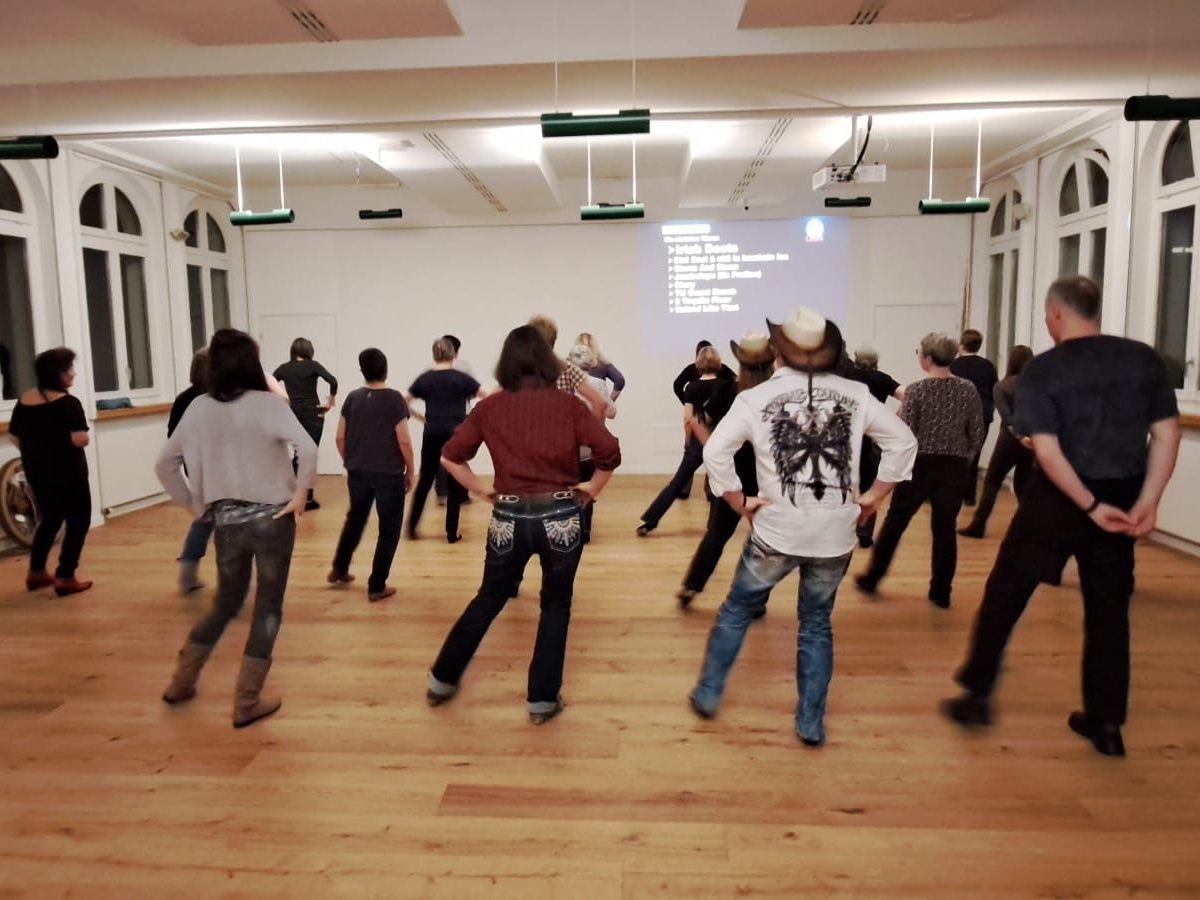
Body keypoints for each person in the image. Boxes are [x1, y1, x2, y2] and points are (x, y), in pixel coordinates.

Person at [942, 277, 1180, 758]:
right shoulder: (1143, 360)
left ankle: (977, 694)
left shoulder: (1046, 370)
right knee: (1109, 611)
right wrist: (1148, 501)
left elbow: (1047, 452)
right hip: (1124, 493)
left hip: (1058, 500)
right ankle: (1107, 723)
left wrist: (1088, 504)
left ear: (1054, 314)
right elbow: (1167, 435)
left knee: (1007, 591)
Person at [688, 309, 916, 746]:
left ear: (780, 352)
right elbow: (903, 441)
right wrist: (874, 496)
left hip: (776, 531)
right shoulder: (856, 393)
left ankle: (709, 693)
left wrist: (738, 500)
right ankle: (810, 722)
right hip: (835, 535)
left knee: (736, 611)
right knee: (815, 624)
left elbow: (715, 451)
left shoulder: (754, 399)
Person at [425, 325, 621, 724]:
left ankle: (442, 680)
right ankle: (541, 701)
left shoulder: (490, 408)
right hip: (561, 518)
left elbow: (449, 457)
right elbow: (609, 451)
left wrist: (481, 491)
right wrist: (592, 490)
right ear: (549, 363)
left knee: (489, 598)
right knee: (555, 604)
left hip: (508, 519)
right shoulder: (568, 407)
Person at [156, 329, 317, 728]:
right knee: (267, 609)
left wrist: (195, 506)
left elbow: (165, 464)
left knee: (226, 602)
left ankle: (181, 682)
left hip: (226, 522)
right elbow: (308, 449)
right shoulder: (268, 405)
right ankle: (246, 701)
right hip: (274, 521)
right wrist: (300, 496)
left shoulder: (197, 408)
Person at [856, 333, 984, 608]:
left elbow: (902, 430)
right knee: (945, 528)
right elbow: (976, 432)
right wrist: (964, 460)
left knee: (896, 522)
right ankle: (941, 591)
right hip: (954, 467)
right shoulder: (968, 389)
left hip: (919, 465)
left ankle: (872, 577)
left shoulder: (917, 390)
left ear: (926, 358)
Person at [676, 333, 774, 608]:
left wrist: (714, 447)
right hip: (766, 477)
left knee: (717, 533)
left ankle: (691, 586)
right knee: (763, 540)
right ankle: (755, 600)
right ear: (771, 364)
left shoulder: (731, 390)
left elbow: (697, 420)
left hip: (732, 474)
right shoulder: (777, 395)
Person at [329, 347, 414, 599]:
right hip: (388, 474)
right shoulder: (394, 399)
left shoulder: (353, 398)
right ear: (385, 369)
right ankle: (377, 585)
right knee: (389, 529)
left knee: (355, 519)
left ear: (362, 371)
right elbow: (404, 441)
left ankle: (340, 568)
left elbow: (339, 437)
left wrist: (351, 461)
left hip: (358, 472)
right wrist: (411, 470)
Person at [9, 347, 94, 597]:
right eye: (70, 369)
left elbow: (15, 437)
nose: (74, 374)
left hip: (37, 472)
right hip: (69, 473)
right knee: (78, 521)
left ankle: (36, 572)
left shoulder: (24, 401)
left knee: (51, 519)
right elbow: (80, 439)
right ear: (58, 373)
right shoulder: (68, 403)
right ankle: (66, 575)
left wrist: (38, 450)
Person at [638, 345, 726, 536]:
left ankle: (649, 521)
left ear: (699, 364)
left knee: (677, 483)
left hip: (696, 442)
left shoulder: (692, 387)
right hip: (720, 442)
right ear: (718, 363)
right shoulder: (726, 386)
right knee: (719, 484)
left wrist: (688, 441)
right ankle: (714, 526)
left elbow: (688, 419)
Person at [406, 338, 486, 543]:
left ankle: (411, 528)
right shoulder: (461, 378)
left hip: (432, 433)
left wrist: (419, 417)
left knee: (425, 480)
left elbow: (402, 400)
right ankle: (452, 533)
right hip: (455, 435)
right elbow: (487, 396)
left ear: (434, 355)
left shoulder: (425, 379)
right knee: (455, 484)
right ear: (454, 355)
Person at [959, 345, 1036, 539]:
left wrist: (1019, 436)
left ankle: (979, 525)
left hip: (1009, 441)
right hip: (1031, 441)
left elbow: (1007, 417)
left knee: (992, 481)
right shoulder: (1037, 386)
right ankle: (1030, 527)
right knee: (1023, 484)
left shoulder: (1002, 386)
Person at [842, 346, 906, 548]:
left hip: (847, 436)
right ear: (876, 361)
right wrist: (894, 418)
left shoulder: (846, 377)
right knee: (870, 486)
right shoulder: (882, 378)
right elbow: (907, 395)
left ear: (855, 359)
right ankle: (865, 532)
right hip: (872, 437)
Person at [273, 337, 337, 510]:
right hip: (313, 414)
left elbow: (269, 383)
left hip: (293, 414)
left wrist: (284, 400)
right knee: (309, 454)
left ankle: (297, 494)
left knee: (299, 453)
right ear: (309, 350)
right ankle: (306, 497)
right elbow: (333, 380)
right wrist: (330, 401)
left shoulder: (284, 368)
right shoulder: (313, 365)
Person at [169, 349, 214, 595]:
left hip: (195, 468)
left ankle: (188, 573)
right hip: (218, 467)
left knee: (205, 520)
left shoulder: (183, 398)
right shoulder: (217, 399)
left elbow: (172, 437)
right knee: (227, 521)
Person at [671, 341, 737, 499]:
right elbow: (736, 381)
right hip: (715, 420)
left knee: (692, 453)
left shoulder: (695, 373)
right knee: (714, 454)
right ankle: (710, 491)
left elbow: (677, 385)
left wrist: (689, 404)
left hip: (698, 419)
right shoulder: (718, 370)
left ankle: (686, 489)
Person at [567, 343, 617, 543]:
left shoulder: (563, 382)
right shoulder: (598, 384)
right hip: (591, 445)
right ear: (592, 363)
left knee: (568, 485)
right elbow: (611, 412)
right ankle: (585, 528)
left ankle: (571, 528)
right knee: (588, 484)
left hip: (568, 443)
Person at [949, 329, 998, 506]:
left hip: (959, 414)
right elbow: (995, 388)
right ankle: (969, 495)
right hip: (983, 412)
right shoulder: (988, 366)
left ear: (961, 344)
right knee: (974, 453)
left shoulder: (954, 366)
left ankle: (951, 492)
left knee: (955, 453)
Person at [435, 334, 474, 503]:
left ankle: (442, 492)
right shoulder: (464, 367)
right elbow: (472, 392)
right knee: (457, 455)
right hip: (459, 417)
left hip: (437, 418)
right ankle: (461, 495)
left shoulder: (432, 368)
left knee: (441, 454)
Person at [575, 332, 626, 401]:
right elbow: (620, 380)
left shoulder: (572, 365)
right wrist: (609, 402)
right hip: (598, 408)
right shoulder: (603, 363)